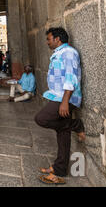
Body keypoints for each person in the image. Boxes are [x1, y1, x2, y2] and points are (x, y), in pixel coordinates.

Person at [34, 27, 86, 185]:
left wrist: (65, 101)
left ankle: (75, 124)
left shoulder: (68, 53)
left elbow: (70, 77)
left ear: (57, 39)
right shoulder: (60, 53)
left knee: (41, 119)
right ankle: (60, 170)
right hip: (58, 96)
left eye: (49, 39)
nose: (47, 42)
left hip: (64, 98)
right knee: (62, 134)